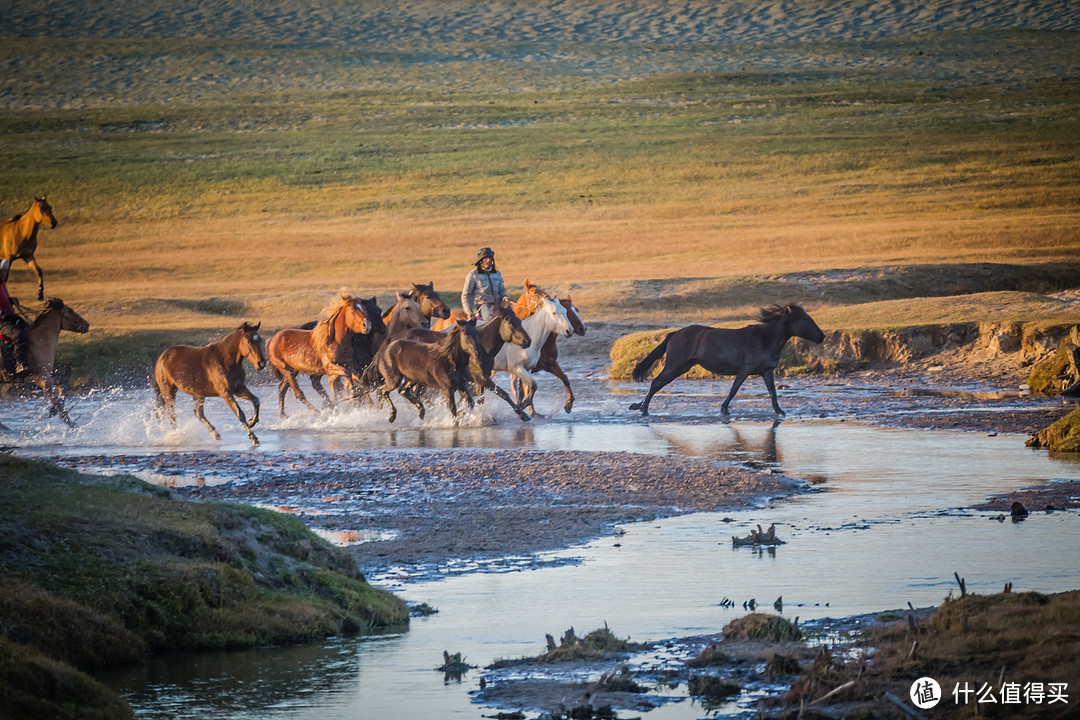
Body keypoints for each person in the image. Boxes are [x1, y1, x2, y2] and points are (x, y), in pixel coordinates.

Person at [0, 259, 31, 377]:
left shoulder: (2, 284)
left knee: (27, 327)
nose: (4, 274)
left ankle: (29, 360)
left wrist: (11, 300)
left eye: (5, 271)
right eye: (2, 272)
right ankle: (19, 364)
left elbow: (4, 300)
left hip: (8, 317)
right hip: (1, 321)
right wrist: (3, 313)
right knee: (19, 335)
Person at [462, 247, 510, 322]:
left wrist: (506, 297)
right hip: (483, 306)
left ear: (492, 260)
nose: (487, 260)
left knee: (513, 319)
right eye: (485, 258)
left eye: (489, 258)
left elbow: (502, 291)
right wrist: (469, 312)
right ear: (480, 261)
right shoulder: (473, 275)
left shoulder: (497, 274)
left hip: (498, 304)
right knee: (491, 321)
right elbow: (465, 295)